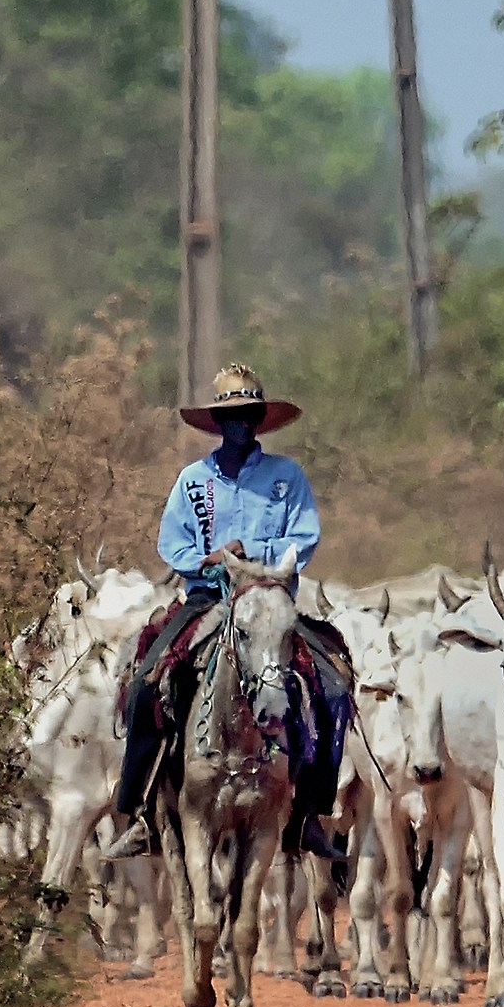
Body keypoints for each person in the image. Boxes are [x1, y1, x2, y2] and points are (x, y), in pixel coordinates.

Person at [102, 365, 349, 864]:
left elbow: (304, 538)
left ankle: (309, 814)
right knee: (149, 680)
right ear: (217, 423)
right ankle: (142, 813)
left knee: (333, 684)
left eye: (248, 414)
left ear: (260, 419)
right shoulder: (193, 482)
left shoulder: (287, 477)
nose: (240, 424)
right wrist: (207, 559)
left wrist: (251, 550)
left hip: (269, 601)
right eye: (230, 416)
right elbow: (172, 542)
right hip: (206, 598)